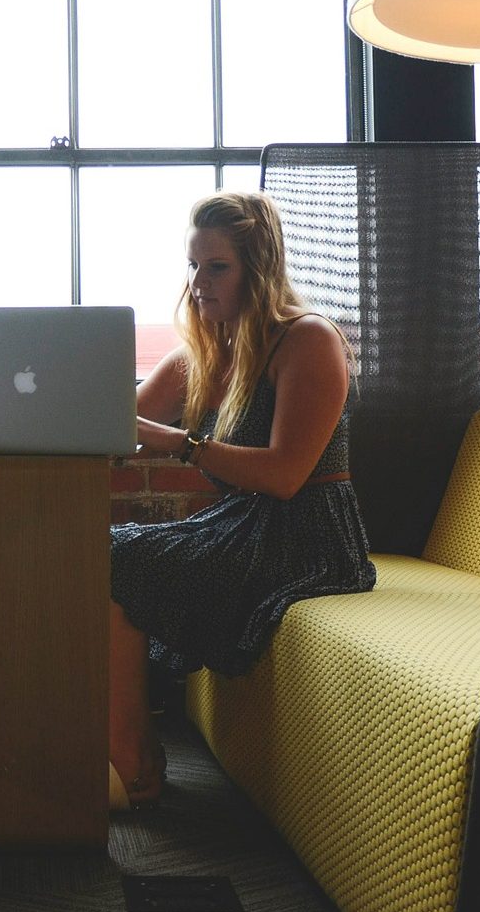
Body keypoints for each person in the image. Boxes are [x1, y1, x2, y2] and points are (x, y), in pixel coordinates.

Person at [108, 192, 377, 809]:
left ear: (258, 269)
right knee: (103, 552)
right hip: (242, 524)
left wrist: (181, 444)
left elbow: (286, 475)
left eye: (216, 267)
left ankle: (132, 762)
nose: (198, 283)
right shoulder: (204, 353)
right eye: (193, 266)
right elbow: (115, 425)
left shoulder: (307, 340)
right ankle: (130, 749)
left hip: (308, 535)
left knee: (118, 561)